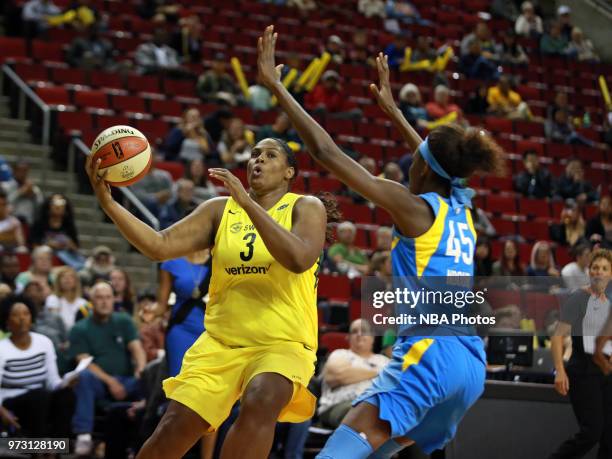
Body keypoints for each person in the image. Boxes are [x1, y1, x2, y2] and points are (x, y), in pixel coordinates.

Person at [258, 27, 503, 458]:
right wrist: (393, 113)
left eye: (414, 160)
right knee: (377, 452)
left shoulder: (414, 208)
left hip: (428, 353)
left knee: (340, 450)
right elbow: (440, 162)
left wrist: (279, 89)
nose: (409, 162)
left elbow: (326, 152)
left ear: (423, 170)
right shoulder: (462, 206)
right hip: (469, 363)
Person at [85, 98, 339, 457]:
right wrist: (109, 203)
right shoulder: (219, 210)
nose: (258, 160)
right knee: (173, 427)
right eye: (254, 154)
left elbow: (298, 258)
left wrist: (250, 205)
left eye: (269, 156)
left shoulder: (305, 207)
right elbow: (159, 246)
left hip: (282, 343)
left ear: (288, 173)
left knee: (261, 398)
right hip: (222, 342)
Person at [69, 282, 146, 456]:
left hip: (127, 381)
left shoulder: (124, 321)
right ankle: (84, 435)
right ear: (91, 301)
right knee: (84, 376)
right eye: (99, 297)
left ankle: (142, 439)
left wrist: (141, 368)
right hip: (99, 384)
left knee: (149, 377)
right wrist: (110, 382)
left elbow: (137, 347)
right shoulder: (79, 328)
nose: (104, 302)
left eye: (108, 297)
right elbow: (84, 361)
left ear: (114, 300)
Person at [550, 248, 611, 459]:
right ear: (589, 271)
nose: (599, 272)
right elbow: (557, 338)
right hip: (583, 371)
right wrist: (560, 371)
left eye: (605, 268)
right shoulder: (578, 298)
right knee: (591, 433)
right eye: (595, 268)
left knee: (609, 437)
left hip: (605, 372)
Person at [0, 295, 75, 438]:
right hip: (12, 400)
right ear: (7, 321)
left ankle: (56, 447)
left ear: (32, 317)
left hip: (41, 398)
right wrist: (2, 412)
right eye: (15, 315)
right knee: (39, 396)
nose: (22, 318)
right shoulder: (2, 349)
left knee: (66, 395)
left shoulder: (44, 342)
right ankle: (38, 448)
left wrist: (66, 383)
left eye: (26, 314)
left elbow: (53, 381)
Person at [318, 319, 389, 428]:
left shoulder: (383, 361)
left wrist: (353, 373)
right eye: (354, 331)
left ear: (373, 338)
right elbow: (338, 375)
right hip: (342, 405)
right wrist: (378, 372)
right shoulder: (340, 354)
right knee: (364, 415)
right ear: (348, 337)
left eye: (364, 331)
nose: (359, 334)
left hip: (380, 406)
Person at [157, 249, 211, 377]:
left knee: (208, 383)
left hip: (212, 332)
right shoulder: (171, 262)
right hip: (181, 329)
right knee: (179, 382)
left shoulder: (219, 258)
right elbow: (161, 306)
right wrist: (149, 313)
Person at [30, 193, 85, 270]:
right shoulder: (39, 223)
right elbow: (34, 245)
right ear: (48, 206)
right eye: (54, 203)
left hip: (66, 258)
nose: (58, 207)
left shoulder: (69, 225)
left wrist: (68, 244)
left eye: (61, 203)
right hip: (46, 256)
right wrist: (48, 245)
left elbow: (76, 248)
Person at [45, 265, 88, 332]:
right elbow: (54, 322)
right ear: (58, 281)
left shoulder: (83, 302)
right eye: (63, 277)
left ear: (76, 281)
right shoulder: (53, 299)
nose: (67, 279)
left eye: (70, 277)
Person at [2, 160, 44, 225]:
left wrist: (34, 196)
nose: (22, 173)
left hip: (28, 224)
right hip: (9, 224)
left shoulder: (34, 189)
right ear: (13, 171)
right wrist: (20, 193)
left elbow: (40, 208)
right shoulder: (4, 186)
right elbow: (4, 205)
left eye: (25, 171)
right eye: (19, 170)